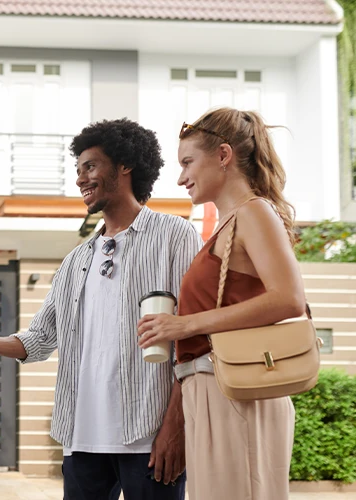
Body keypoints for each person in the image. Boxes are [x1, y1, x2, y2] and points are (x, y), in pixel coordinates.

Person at [0, 119, 202, 499]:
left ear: (125, 166)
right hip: (82, 438)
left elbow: (193, 337)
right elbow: (38, 340)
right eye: (78, 170)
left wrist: (175, 427)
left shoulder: (174, 236)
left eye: (90, 166)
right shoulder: (74, 261)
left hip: (148, 436)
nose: (81, 179)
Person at [137, 107, 304, 499]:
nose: (180, 178)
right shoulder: (228, 224)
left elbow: (289, 299)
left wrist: (185, 325)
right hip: (213, 388)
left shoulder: (254, 212)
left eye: (188, 162)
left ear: (224, 156)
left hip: (234, 389)